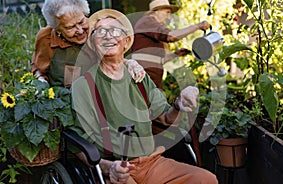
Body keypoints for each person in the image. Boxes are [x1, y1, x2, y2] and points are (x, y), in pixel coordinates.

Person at [71, 9, 218, 184]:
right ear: (94, 44)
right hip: (117, 170)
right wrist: (108, 167)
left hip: (152, 163)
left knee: (206, 180)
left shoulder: (139, 77)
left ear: (126, 42)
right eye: (101, 31)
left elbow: (165, 117)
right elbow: (78, 145)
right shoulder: (83, 86)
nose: (108, 36)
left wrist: (179, 103)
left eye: (115, 30)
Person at [31, 0, 144, 88]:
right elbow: (38, 69)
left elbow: (113, 59)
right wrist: (41, 83)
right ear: (57, 29)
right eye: (70, 27)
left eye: (81, 21)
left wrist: (130, 63)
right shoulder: (47, 38)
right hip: (61, 103)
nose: (80, 31)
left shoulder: (98, 31)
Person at [130, 0, 211, 89]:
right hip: (143, 80)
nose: (168, 17)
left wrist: (175, 54)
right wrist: (197, 26)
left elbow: (158, 60)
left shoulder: (152, 29)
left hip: (151, 82)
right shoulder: (148, 21)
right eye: (167, 12)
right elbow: (171, 36)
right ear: (157, 11)